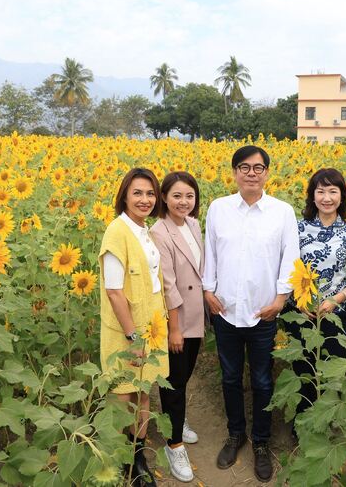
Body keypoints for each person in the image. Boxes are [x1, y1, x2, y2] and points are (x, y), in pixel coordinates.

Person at [202, 145, 299, 483]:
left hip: (264, 314)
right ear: (234, 173)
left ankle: (260, 442)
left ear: (267, 173)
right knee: (229, 378)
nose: (251, 173)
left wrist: (281, 298)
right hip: (225, 311)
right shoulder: (218, 209)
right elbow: (210, 252)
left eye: (258, 167)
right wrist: (207, 290)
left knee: (261, 380)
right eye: (244, 167)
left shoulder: (282, 212)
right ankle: (235, 434)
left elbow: (291, 258)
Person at [284, 168, 346, 439]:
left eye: (333, 191)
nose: (326, 197)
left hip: (334, 312)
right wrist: (299, 301)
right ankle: (302, 424)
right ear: (312, 196)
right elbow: (286, 269)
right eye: (320, 191)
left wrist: (334, 300)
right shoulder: (297, 228)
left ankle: (328, 421)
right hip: (302, 310)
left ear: (342, 196)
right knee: (303, 367)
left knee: (333, 366)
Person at [98, 167, 169, 487]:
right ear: (124, 195)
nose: (145, 199)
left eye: (150, 193)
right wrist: (133, 336)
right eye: (137, 193)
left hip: (149, 324)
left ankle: (137, 457)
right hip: (127, 331)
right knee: (121, 396)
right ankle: (112, 464)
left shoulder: (144, 229)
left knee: (142, 394)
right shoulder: (117, 231)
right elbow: (114, 291)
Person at [150, 171, 205, 483]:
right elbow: (168, 284)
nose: (184, 202)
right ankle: (174, 444)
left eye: (189, 196)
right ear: (164, 199)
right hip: (177, 318)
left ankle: (176, 418)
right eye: (177, 196)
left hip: (196, 315)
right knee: (173, 380)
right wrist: (174, 328)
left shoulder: (194, 224)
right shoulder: (160, 231)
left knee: (183, 376)